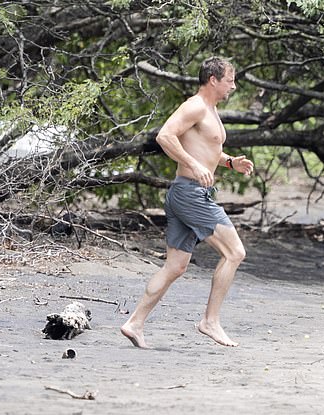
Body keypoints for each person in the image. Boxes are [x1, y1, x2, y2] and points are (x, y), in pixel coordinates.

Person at [120, 57, 254, 349]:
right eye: (230, 79)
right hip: (191, 194)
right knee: (235, 253)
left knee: (175, 267)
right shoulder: (194, 105)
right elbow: (165, 136)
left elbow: (206, 148)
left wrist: (230, 162)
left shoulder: (210, 110)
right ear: (213, 80)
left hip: (187, 193)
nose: (234, 85)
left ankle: (134, 323)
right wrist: (193, 165)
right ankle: (210, 322)